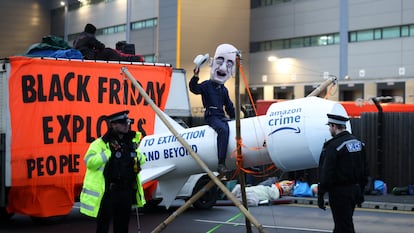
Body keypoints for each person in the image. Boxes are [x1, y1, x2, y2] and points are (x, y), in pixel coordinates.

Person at [79, 110, 146, 233]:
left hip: (125, 191)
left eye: (128, 122)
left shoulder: (131, 143)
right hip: (108, 193)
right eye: (122, 123)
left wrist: (137, 157)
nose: (126, 125)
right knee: (103, 227)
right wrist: (106, 154)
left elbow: (142, 159)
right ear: (113, 125)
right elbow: (89, 162)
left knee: (122, 227)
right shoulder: (100, 143)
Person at [189, 43, 238, 173]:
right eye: (220, 61)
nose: (223, 67)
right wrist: (195, 76)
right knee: (223, 130)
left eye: (229, 64)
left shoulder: (223, 89)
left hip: (221, 116)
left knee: (230, 128)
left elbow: (229, 105)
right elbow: (194, 88)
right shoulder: (206, 85)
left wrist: (236, 118)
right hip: (212, 116)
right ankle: (221, 162)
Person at [318, 113, 369, 233]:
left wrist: (320, 194)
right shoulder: (358, 144)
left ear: (334, 126)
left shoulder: (334, 146)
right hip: (354, 190)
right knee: (342, 224)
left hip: (340, 193)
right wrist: (361, 191)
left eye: (330, 126)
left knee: (344, 226)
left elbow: (327, 173)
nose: (329, 129)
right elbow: (365, 170)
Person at [73, 23, 144, 62]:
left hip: (83, 56)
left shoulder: (78, 37)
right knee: (109, 52)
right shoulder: (89, 36)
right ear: (92, 32)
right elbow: (101, 46)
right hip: (89, 57)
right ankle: (135, 59)